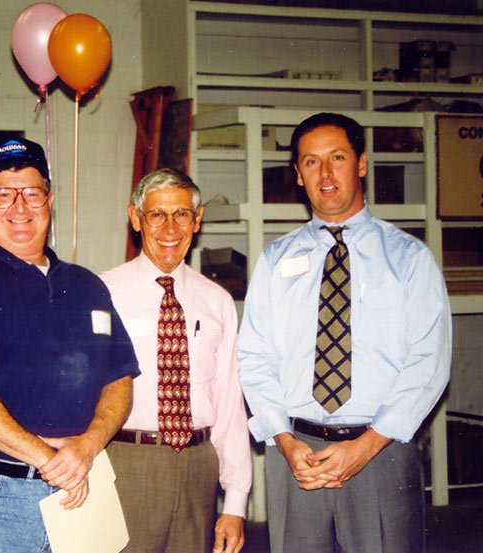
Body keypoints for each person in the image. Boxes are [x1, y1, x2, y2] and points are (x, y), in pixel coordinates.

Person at [238, 112, 451, 553]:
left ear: (361, 164)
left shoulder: (409, 258)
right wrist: (284, 441)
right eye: (311, 162)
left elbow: (429, 362)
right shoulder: (276, 259)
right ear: (298, 175)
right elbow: (254, 357)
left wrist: (367, 446)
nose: (326, 173)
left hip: (381, 450)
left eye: (337, 157)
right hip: (297, 455)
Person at [0, 137, 139, 552]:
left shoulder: (87, 286)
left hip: (81, 488)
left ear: (50, 200)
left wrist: (87, 445)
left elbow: (120, 379)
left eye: (32, 193)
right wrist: (48, 459)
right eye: (3, 194)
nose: (20, 208)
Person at [100, 168, 252, 553]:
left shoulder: (216, 301)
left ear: (197, 221)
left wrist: (235, 502)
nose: (170, 228)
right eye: (157, 215)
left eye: (182, 214)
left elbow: (230, 404)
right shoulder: (102, 292)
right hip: (126, 462)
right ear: (136, 218)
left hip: (198, 467)